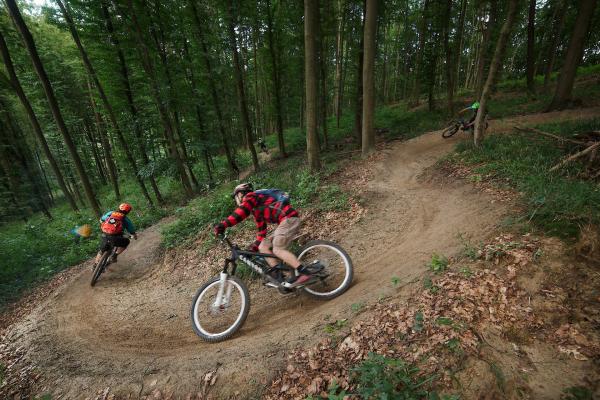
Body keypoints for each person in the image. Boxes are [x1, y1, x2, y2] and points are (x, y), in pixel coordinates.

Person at [214, 183, 318, 288]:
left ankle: (305, 273)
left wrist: (224, 224)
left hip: (289, 219)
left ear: (240, 194)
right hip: (285, 222)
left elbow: (242, 212)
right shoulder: (257, 209)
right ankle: (279, 276)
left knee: (278, 249)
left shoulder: (251, 196)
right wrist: (252, 250)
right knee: (263, 245)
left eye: (236, 197)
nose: (236, 200)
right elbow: (261, 233)